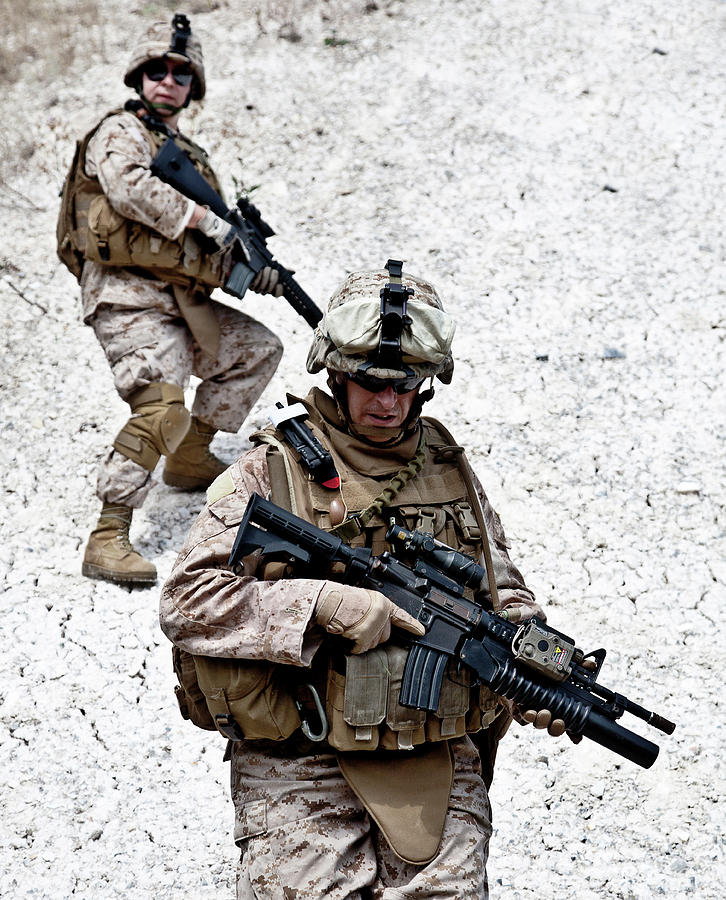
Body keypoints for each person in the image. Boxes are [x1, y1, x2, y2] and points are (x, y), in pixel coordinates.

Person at [160, 261, 566, 898]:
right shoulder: (275, 470)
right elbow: (187, 601)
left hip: (429, 750)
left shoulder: (447, 467)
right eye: (370, 383)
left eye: (406, 387)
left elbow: (501, 595)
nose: (388, 403)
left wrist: (534, 673)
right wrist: (317, 604)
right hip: (301, 754)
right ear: (335, 373)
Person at [59, 14, 284, 585]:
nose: (168, 81)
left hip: (181, 300)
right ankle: (107, 536)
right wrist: (210, 221)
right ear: (139, 76)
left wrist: (251, 271)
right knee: (159, 407)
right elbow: (129, 189)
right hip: (126, 297)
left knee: (256, 348)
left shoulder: (189, 152)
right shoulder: (120, 131)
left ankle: (189, 459)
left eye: (181, 74)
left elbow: (200, 248)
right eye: (156, 70)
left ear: (193, 87)